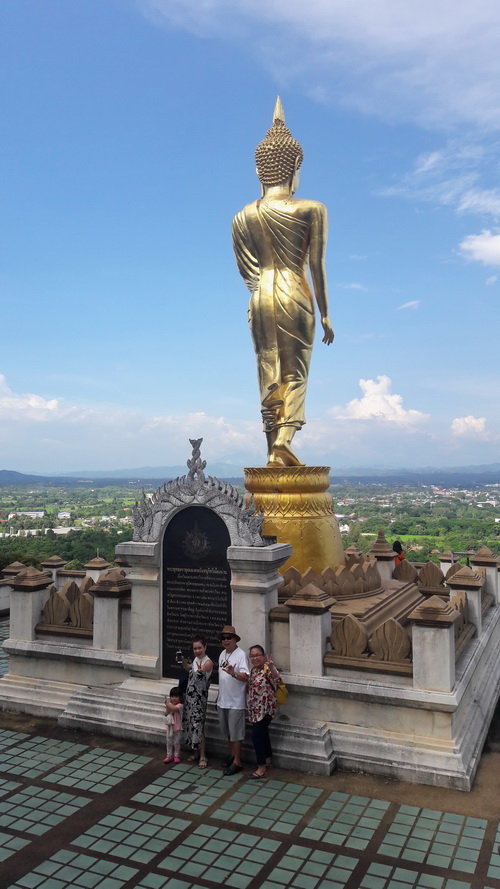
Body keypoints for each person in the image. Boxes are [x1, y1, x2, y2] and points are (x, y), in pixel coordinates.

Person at [232, 96, 334, 468]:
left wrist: (261, 293)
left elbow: (247, 269)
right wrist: (325, 313)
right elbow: (316, 265)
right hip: (295, 291)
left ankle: (270, 448)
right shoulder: (311, 209)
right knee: (295, 372)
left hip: (260, 297)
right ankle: (284, 442)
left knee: (267, 370)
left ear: (260, 171)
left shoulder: (243, 215)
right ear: (295, 166)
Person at [217, 625, 249, 776]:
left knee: (236, 734)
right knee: (228, 733)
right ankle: (232, 756)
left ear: (235, 639)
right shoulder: (222, 654)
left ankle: (238, 761)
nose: (226, 640)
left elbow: (246, 677)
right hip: (222, 700)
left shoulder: (241, 655)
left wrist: (234, 673)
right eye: (223, 638)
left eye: (229, 637)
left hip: (235, 702)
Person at [247, 645, 280, 779]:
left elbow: (277, 679)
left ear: (263, 655)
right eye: (252, 656)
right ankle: (267, 759)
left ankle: (261, 767)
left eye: (257, 655)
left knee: (257, 736)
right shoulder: (254, 670)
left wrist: (271, 666)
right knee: (263, 733)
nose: (255, 658)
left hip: (266, 709)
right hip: (255, 709)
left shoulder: (267, 668)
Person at [182, 633, 213, 769]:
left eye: (200, 648)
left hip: (200, 701)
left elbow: (206, 669)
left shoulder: (208, 662)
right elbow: (191, 670)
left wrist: (201, 670)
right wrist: (186, 666)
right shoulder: (194, 660)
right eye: (195, 648)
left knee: (199, 727)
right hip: (190, 700)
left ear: (205, 647)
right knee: (191, 726)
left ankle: (202, 756)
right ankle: (195, 752)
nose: (197, 651)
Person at [164, 687, 183, 764]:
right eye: (172, 697)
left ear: (180, 698)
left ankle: (176, 756)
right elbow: (166, 713)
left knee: (176, 742)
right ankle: (169, 756)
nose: (174, 698)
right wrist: (167, 705)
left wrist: (166, 704)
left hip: (177, 728)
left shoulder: (180, 705)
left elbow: (174, 708)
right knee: (169, 742)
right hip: (169, 727)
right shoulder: (169, 705)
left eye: (176, 696)